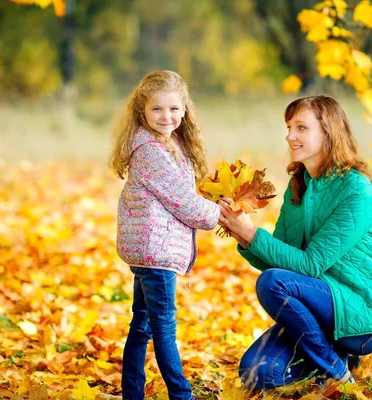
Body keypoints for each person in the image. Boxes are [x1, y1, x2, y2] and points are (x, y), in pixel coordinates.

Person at [217, 95, 372, 390]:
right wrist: (241, 235)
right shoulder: (299, 184)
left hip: (363, 312)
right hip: (318, 309)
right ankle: (336, 356)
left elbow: (310, 265)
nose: (290, 136)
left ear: (329, 132)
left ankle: (337, 370)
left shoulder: (356, 189)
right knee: (257, 373)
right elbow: (281, 255)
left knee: (271, 282)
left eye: (301, 127)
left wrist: (253, 235)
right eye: (289, 127)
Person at [110, 70, 220, 400]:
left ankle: (132, 392)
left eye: (173, 109)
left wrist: (215, 197)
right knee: (163, 327)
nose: (166, 116)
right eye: (157, 109)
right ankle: (181, 394)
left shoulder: (170, 145)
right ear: (142, 111)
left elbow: (186, 190)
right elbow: (182, 200)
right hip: (155, 253)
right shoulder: (150, 151)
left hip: (151, 251)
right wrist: (220, 216)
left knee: (142, 324)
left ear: (184, 110)